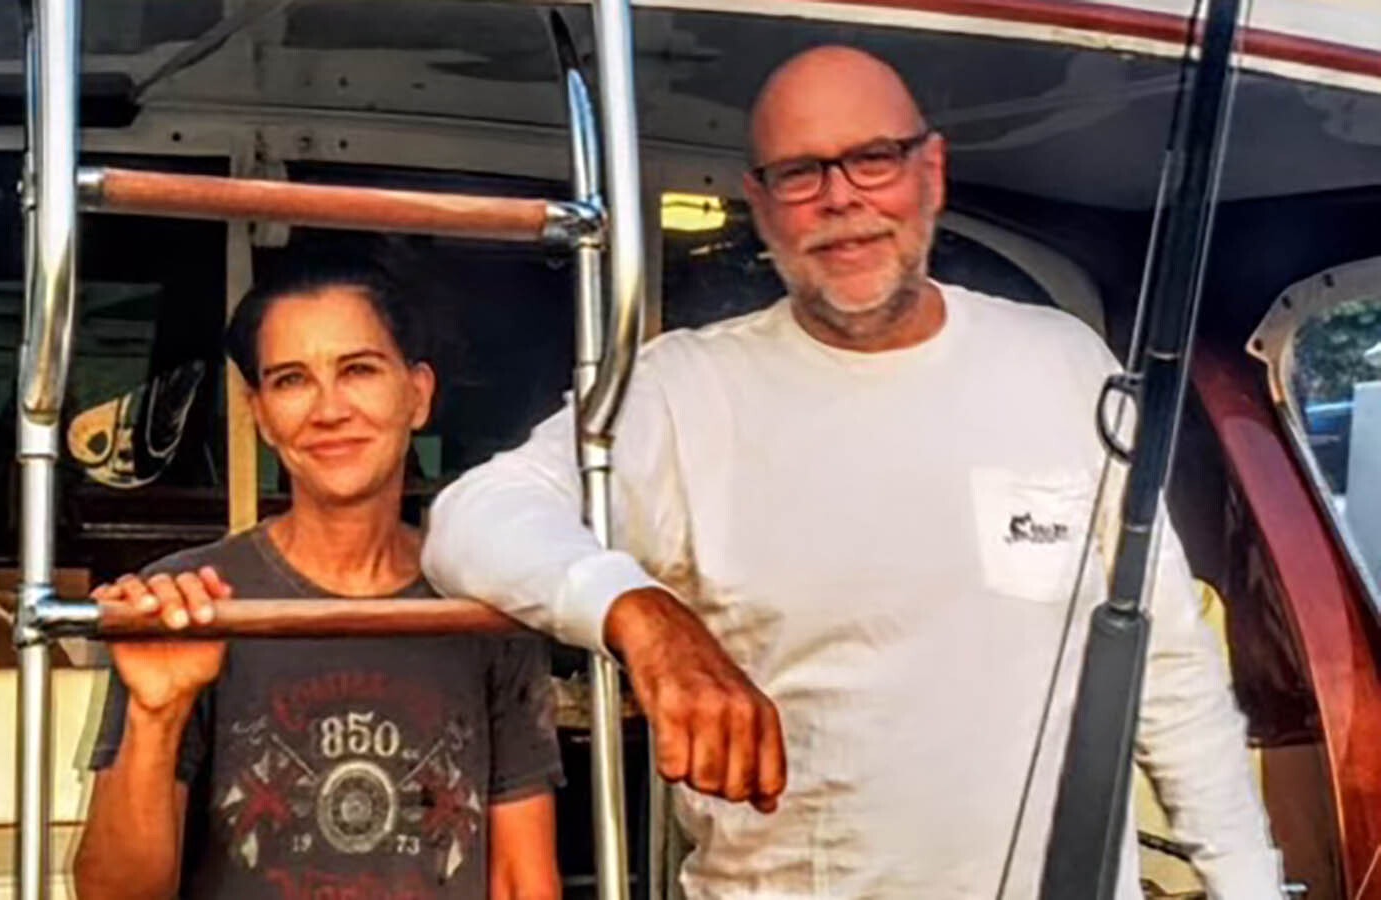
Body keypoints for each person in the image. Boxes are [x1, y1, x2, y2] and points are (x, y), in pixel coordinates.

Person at [420, 46, 1281, 898]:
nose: (842, 199)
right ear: (759, 203)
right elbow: (474, 517)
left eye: (873, 159)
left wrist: (1244, 883)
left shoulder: (1063, 365)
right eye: (800, 173)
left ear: (931, 172)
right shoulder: (687, 391)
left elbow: (1171, 670)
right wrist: (639, 612)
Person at [73, 256, 564, 900]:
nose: (329, 409)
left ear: (417, 394)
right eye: (291, 380)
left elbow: (521, 879)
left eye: (358, 369)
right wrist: (156, 712)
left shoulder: (483, 604)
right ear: (261, 415)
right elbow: (114, 897)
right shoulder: (190, 600)